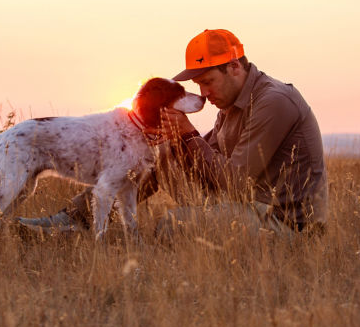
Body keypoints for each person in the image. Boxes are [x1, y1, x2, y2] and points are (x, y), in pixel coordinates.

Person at [18, 29, 328, 237]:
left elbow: (235, 180)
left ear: (234, 67)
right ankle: (74, 219)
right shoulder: (232, 103)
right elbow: (205, 158)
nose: (203, 94)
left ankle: (82, 227)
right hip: (251, 206)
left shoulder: (273, 101)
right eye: (198, 86)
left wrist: (188, 135)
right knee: (159, 156)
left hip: (286, 223)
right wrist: (167, 142)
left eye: (208, 82)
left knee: (172, 225)